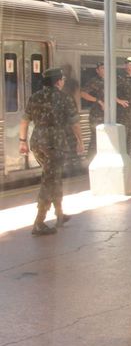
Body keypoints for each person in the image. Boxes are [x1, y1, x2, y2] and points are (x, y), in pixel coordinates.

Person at [19, 68, 84, 236]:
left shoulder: (35, 97)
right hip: (55, 144)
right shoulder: (64, 98)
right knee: (49, 180)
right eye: (62, 79)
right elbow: (75, 123)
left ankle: (60, 214)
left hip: (37, 143)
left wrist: (22, 141)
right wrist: (80, 141)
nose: (63, 81)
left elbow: (24, 121)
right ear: (58, 81)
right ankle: (39, 222)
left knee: (53, 176)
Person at [79, 63, 129, 157]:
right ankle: (90, 162)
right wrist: (98, 101)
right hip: (97, 115)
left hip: (110, 115)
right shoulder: (94, 81)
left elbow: (111, 94)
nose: (105, 70)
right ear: (97, 70)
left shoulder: (111, 81)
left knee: (108, 140)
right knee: (95, 139)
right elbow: (82, 93)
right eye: (102, 68)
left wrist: (119, 101)